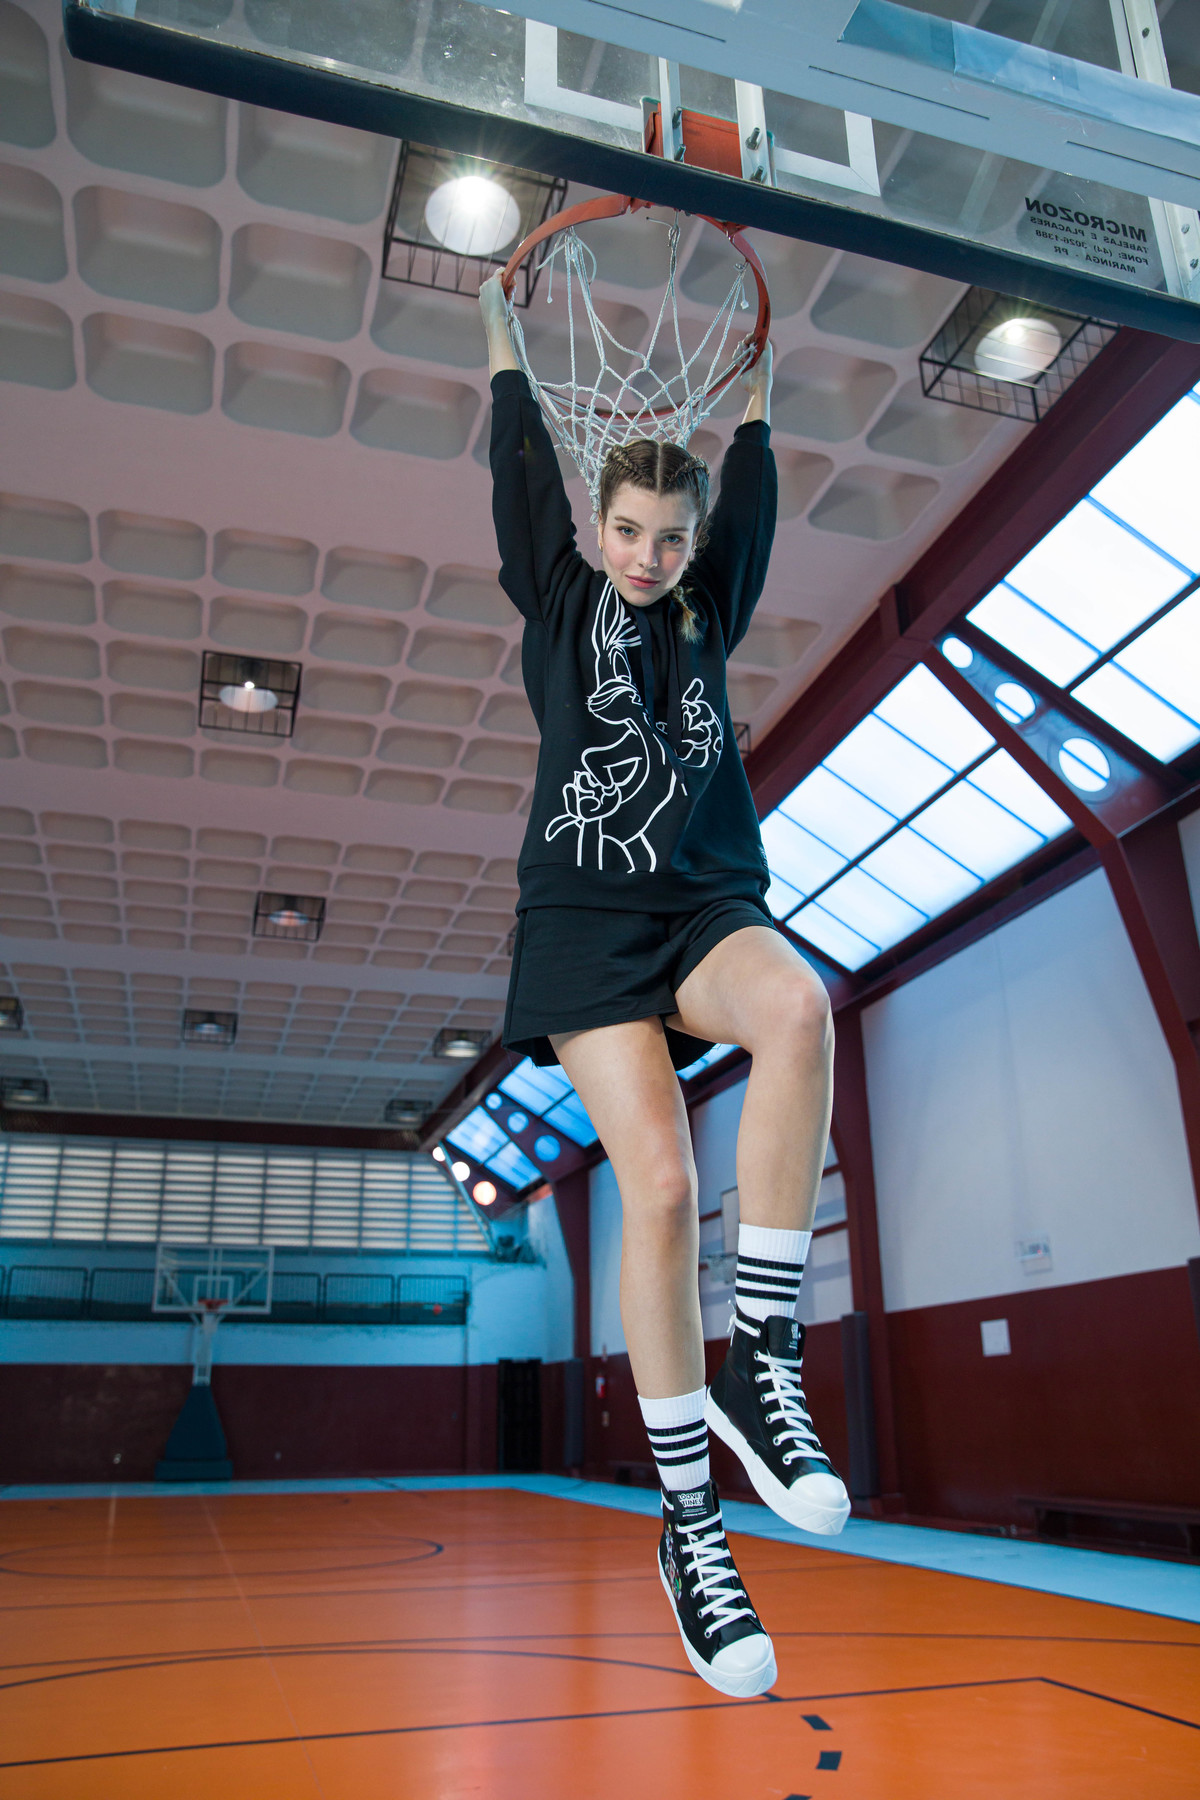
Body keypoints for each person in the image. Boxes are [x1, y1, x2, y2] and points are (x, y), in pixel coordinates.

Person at [479, 272, 849, 1699]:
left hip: (701, 902)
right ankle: (693, 1530)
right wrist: (500, 323)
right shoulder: (560, 591)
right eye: (628, 530)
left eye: (669, 536)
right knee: (663, 1187)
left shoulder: (707, 608)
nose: (646, 554)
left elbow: (756, 478)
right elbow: (517, 452)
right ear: (598, 526)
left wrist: (759, 372)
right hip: (584, 924)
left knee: (799, 1008)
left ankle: (767, 1354)